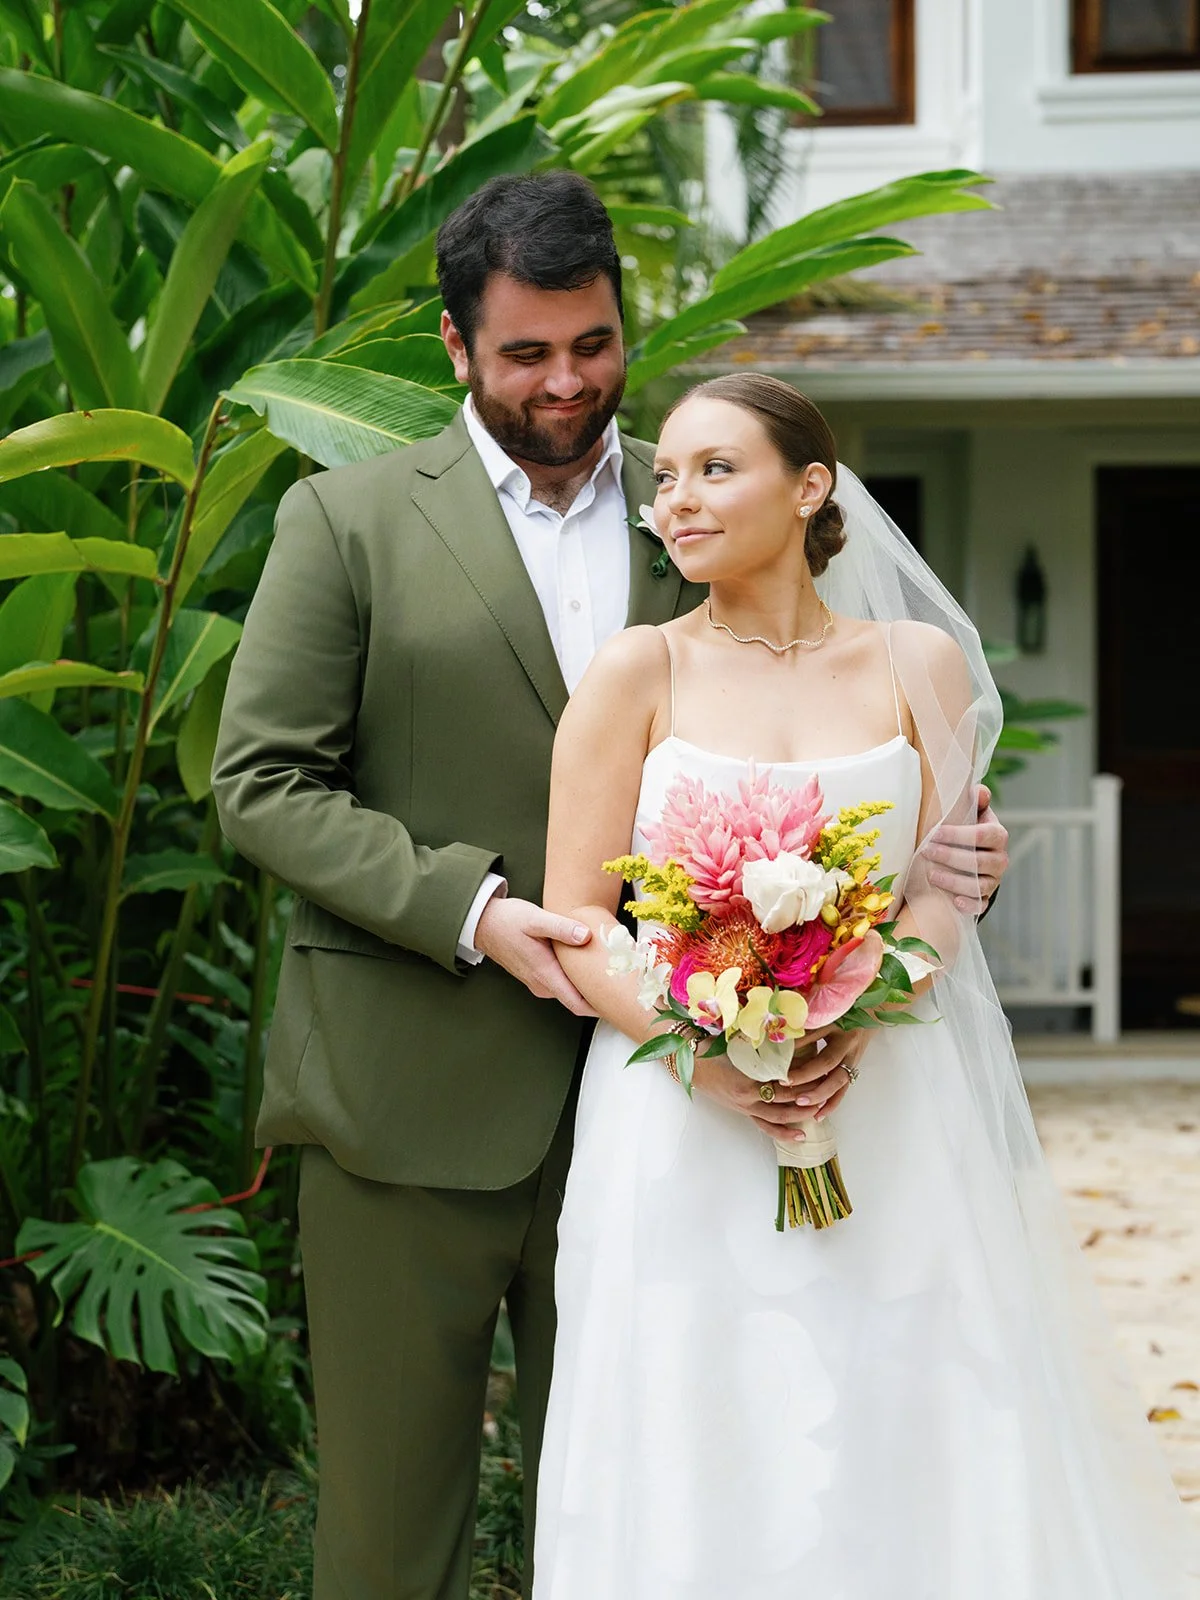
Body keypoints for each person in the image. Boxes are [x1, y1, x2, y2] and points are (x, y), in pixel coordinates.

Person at [211, 175, 1008, 1600]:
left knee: (664, 1522)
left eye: (593, 345)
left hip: (679, 1126)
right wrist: (473, 909)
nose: (568, 382)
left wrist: (947, 857)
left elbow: (832, 742)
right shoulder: (346, 523)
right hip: (411, 1101)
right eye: (526, 354)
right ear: (455, 349)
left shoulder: (711, 497)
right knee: (391, 1545)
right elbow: (262, 785)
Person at [534, 373, 1195, 1599]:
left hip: (891, 1096)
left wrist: (858, 1003)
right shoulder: (635, 672)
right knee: (701, 1411)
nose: (677, 499)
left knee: (915, 1395)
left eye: (716, 468)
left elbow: (947, 880)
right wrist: (710, 1056)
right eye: (665, 477)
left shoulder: (919, 662)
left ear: (812, 486)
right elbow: (577, 918)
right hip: (681, 1120)